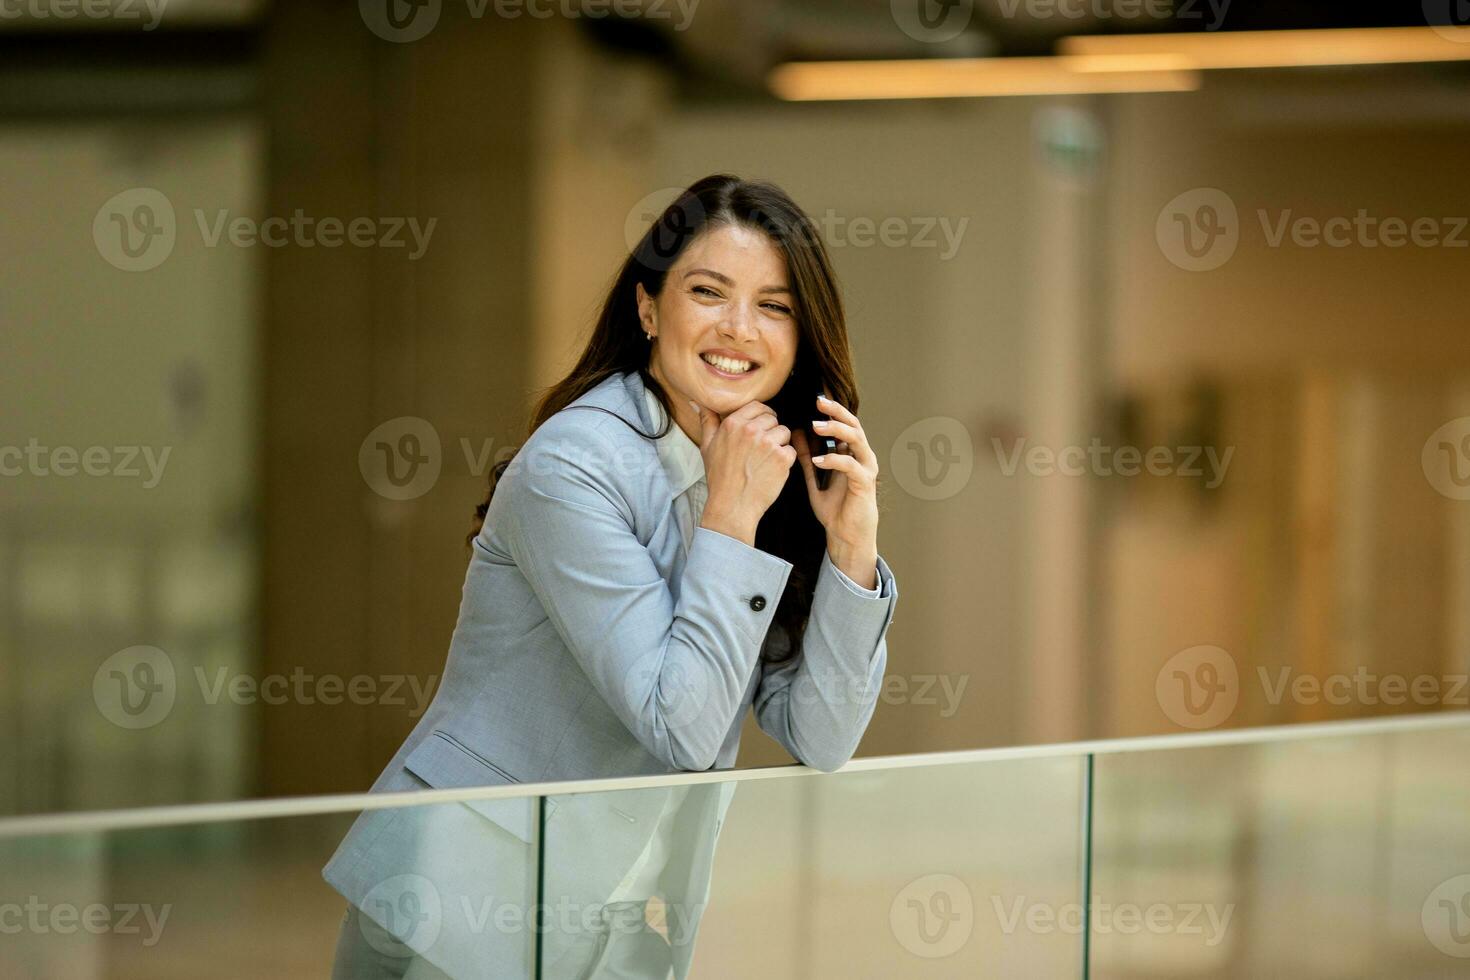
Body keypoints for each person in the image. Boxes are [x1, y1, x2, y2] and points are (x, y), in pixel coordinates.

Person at [323, 173, 899, 978]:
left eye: (774, 305)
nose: (740, 328)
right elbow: (681, 727)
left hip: (621, 919)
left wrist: (851, 549)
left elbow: (823, 736)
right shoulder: (573, 465)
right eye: (709, 291)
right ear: (649, 309)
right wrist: (730, 524)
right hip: (466, 900)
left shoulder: (762, 467)